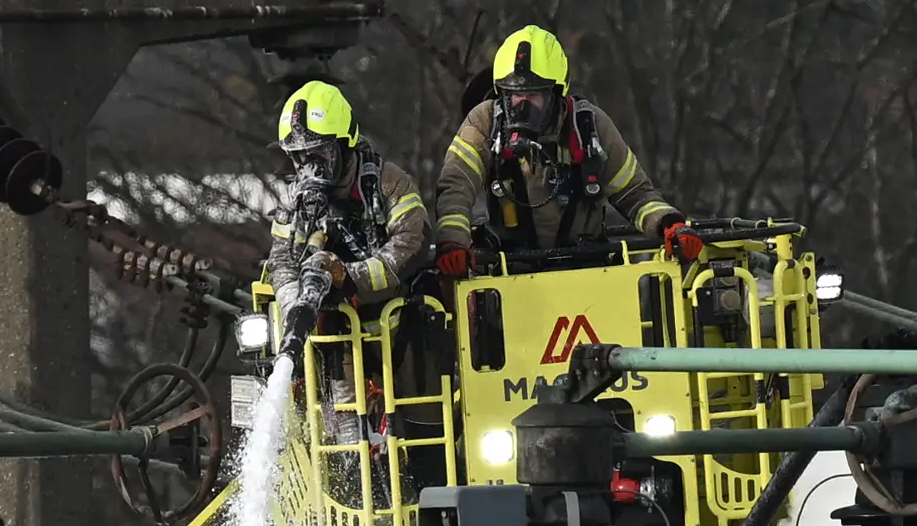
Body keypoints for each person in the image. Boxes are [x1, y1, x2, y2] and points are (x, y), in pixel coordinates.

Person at [432, 24, 706, 271]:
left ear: (556, 93)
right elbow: (456, 184)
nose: (522, 104)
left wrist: (668, 223)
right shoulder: (485, 121)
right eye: (514, 94)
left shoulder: (590, 126)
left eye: (534, 94)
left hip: (587, 271)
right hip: (507, 275)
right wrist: (452, 243)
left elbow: (634, 192)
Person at [266, 80, 431, 321]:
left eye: (320, 153)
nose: (310, 167)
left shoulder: (389, 182)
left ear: (344, 145)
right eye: (299, 156)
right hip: (330, 332)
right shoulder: (295, 199)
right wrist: (295, 310)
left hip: (393, 320)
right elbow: (282, 261)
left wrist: (348, 276)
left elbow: (412, 244)